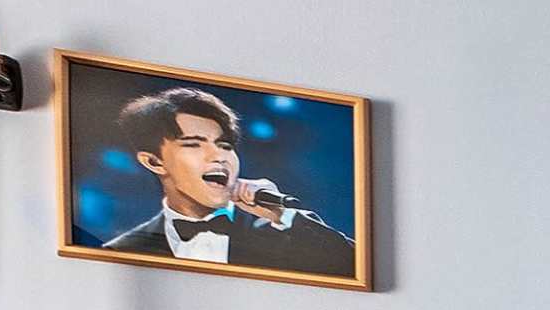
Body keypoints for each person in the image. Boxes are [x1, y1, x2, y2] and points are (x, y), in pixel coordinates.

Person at [94, 84, 358, 280]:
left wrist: (283, 214)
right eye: (194, 145)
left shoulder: (281, 233)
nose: (218, 157)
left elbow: (359, 267)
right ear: (154, 162)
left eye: (225, 145)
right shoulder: (123, 251)